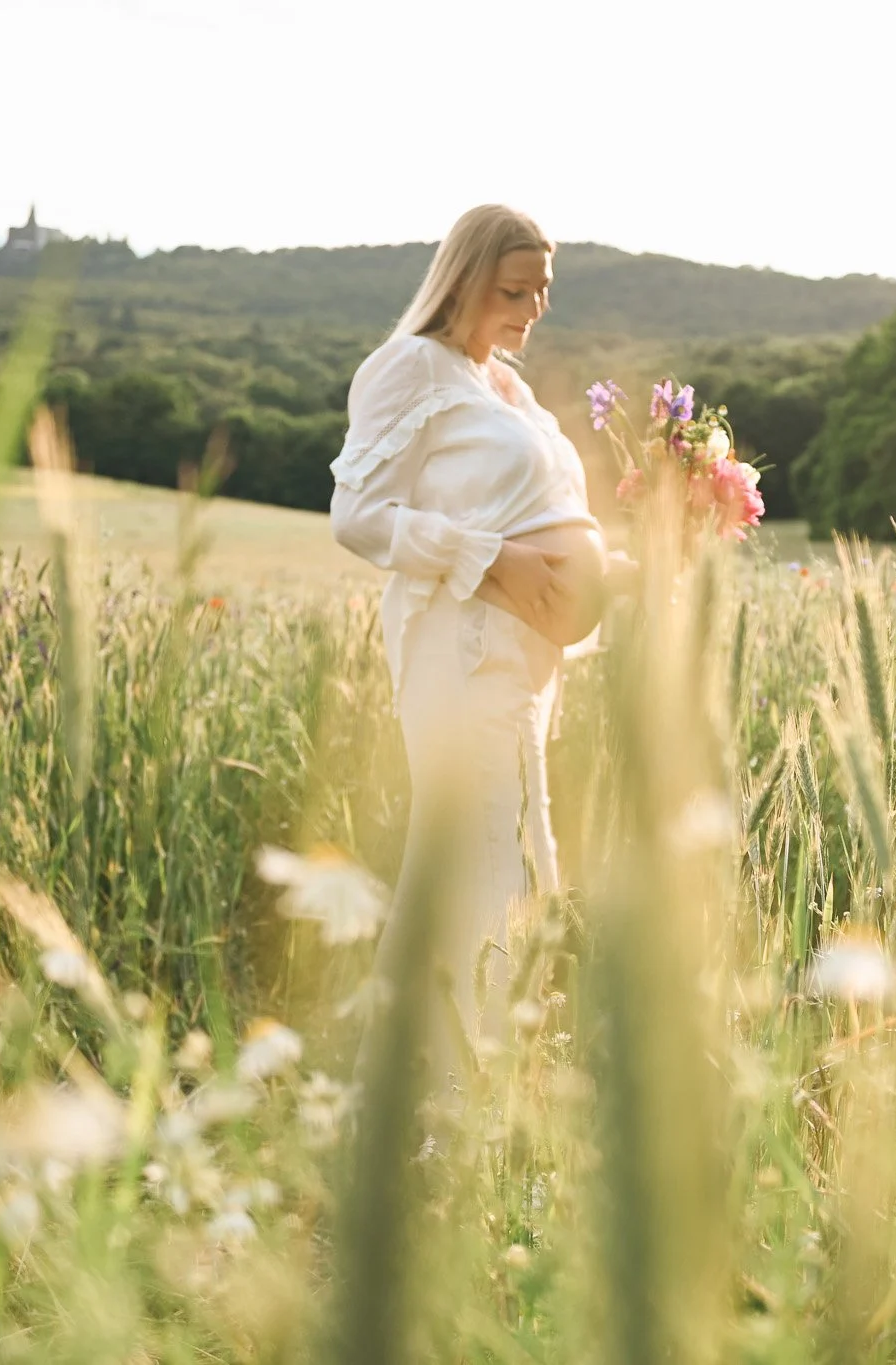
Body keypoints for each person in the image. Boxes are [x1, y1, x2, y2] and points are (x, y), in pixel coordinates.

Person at [328, 205, 626, 1070]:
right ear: (461, 280)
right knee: (483, 862)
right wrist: (490, 559)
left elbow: (544, 518)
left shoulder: (508, 388)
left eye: (543, 291)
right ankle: (456, 1099)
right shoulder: (412, 368)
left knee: (508, 860)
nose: (533, 309)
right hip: (459, 647)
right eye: (514, 289)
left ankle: (434, 1082)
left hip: (524, 662)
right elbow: (357, 517)